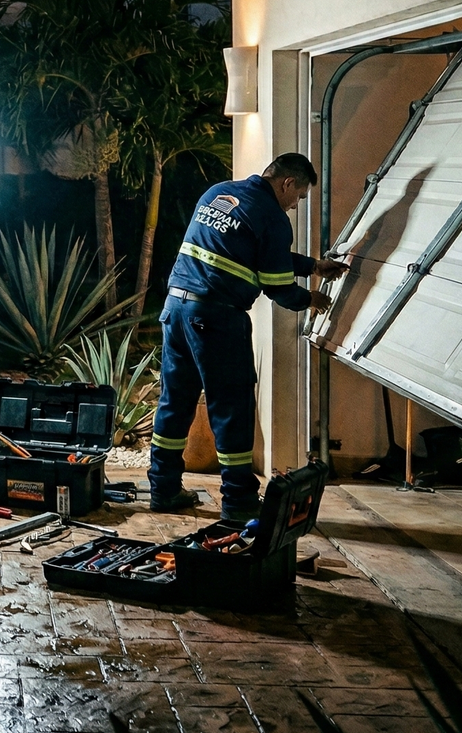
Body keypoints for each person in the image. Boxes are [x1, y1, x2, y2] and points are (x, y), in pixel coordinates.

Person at [147, 153, 348, 521]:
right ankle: (238, 502)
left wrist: (313, 266)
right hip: (216, 319)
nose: (295, 205)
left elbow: (251, 250)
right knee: (232, 408)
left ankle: (163, 489)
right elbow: (275, 283)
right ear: (287, 183)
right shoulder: (272, 216)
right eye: (299, 196)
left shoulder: (220, 192)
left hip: (176, 309)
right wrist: (310, 299)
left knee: (175, 402)